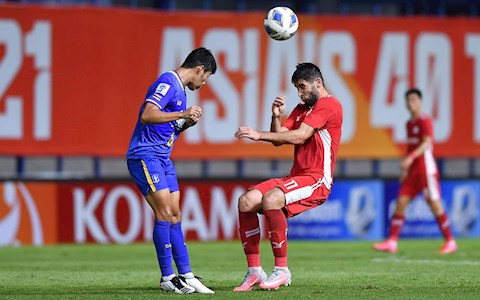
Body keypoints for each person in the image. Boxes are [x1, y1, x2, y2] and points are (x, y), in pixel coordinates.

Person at [233, 63, 343, 292]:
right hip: (298, 175)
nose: (300, 93)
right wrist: (276, 118)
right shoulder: (302, 108)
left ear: (318, 83)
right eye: (297, 89)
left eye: (302, 87)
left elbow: (301, 135)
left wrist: (257, 135)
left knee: (272, 199)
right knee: (246, 201)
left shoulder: (329, 105)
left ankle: (282, 270)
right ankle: (255, 271)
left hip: (317, 179)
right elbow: (279, 138)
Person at [126, 47, 216, 294]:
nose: (203, 82)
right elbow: (147, 114)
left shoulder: (181, 92)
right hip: (145, 156)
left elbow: (167, 128)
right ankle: (167, 277)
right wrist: (182, 113)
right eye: (205, 77)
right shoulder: (168, 82)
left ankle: (186, 274)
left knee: (175, 213)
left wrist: (185, 123)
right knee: (164, 212)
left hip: (163, 158)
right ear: (199, 69)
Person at [373, 88, 457, 255]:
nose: (411, 103)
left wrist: (411, 157)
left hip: (426, 169)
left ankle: (450, 241)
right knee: (401, 203)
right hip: (413, 172)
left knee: (435, 205)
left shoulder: (425, 121)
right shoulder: (409, 123)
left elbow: (427, 143)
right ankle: (392, 242)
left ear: (420, 101)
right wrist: (406, 167)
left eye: (414, 100)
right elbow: (410, 147)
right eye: (408, 100)